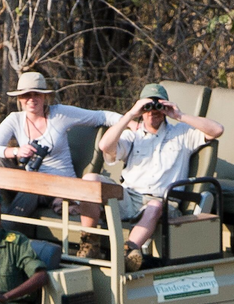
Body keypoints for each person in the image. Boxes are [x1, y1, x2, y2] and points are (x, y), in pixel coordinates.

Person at [78, 83, 225, 272]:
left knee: (155, 206)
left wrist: (179, 115)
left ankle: (128, 252)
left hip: (163, 202)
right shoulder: (133, 136)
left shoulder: (181, 133)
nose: (152, 112)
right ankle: (90, 244)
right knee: (90, 179)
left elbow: (217, 130)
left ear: (165, 108)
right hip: (129, 197)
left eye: (157, 106)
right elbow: (105, 146)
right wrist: (131, 114)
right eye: (146, 107)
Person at [0, 70, 117, 216]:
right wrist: (16, 151)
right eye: (26, 95)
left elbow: (100, 116)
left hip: (60, 185)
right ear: (19, 98)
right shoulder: (14, 119)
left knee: (31, 189)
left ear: (44, 96)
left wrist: (131, 122)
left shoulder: (59, 114)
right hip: (31, 180)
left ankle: (6, 229)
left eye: (37, 94)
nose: (31, 99)